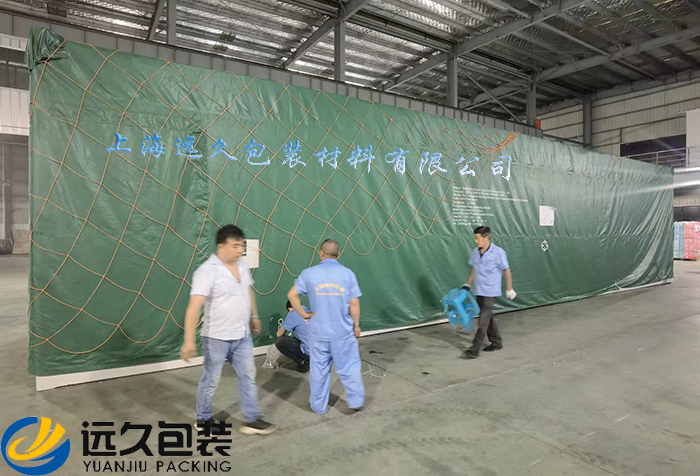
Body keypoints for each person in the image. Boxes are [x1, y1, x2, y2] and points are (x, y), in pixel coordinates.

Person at [180, 224, 276, 435]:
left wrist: (254, 316)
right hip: (216, 338)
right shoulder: (207, 271)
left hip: (242, 335)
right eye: (235, 246)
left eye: (242, 246)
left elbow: (248, 290)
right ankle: (203, 419)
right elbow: (194, 307)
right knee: (211, 380)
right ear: (220, 246)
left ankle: (251, 420)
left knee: (248, 376)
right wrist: (188, 341)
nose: (240, 250)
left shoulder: (241, 266)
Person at [287, 239, 365, 414]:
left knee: (319, 370)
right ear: (338, 254)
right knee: (349, 367)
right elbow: (354, 304)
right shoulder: (348, 274)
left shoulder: (308, 274)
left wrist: (304, 314)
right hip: (342, 332)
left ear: (320, 253)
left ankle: (318, 406)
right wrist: (356, 325)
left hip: (318, 332)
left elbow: (292, 295)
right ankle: (355, 401)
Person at [463, 226, 516, 360]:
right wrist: (468, 284)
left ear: (486, 238)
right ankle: (496, 342)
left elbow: (506, 270)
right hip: (479, 291)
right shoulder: (476, 252)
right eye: (475, 238)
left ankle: (474, 349)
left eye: (477, 238)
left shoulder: (498, 252)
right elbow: (474, 269)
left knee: (482, 321)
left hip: (490, 292)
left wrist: (509, 288)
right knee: (487, 318)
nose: (475, 241)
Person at [274, 300, 311, 373]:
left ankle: (303, 361)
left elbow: (279, 334)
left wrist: (282, 328)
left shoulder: (293, 313)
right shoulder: (308, 311)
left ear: (290, 308)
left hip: (310, 353)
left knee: (280, 342)